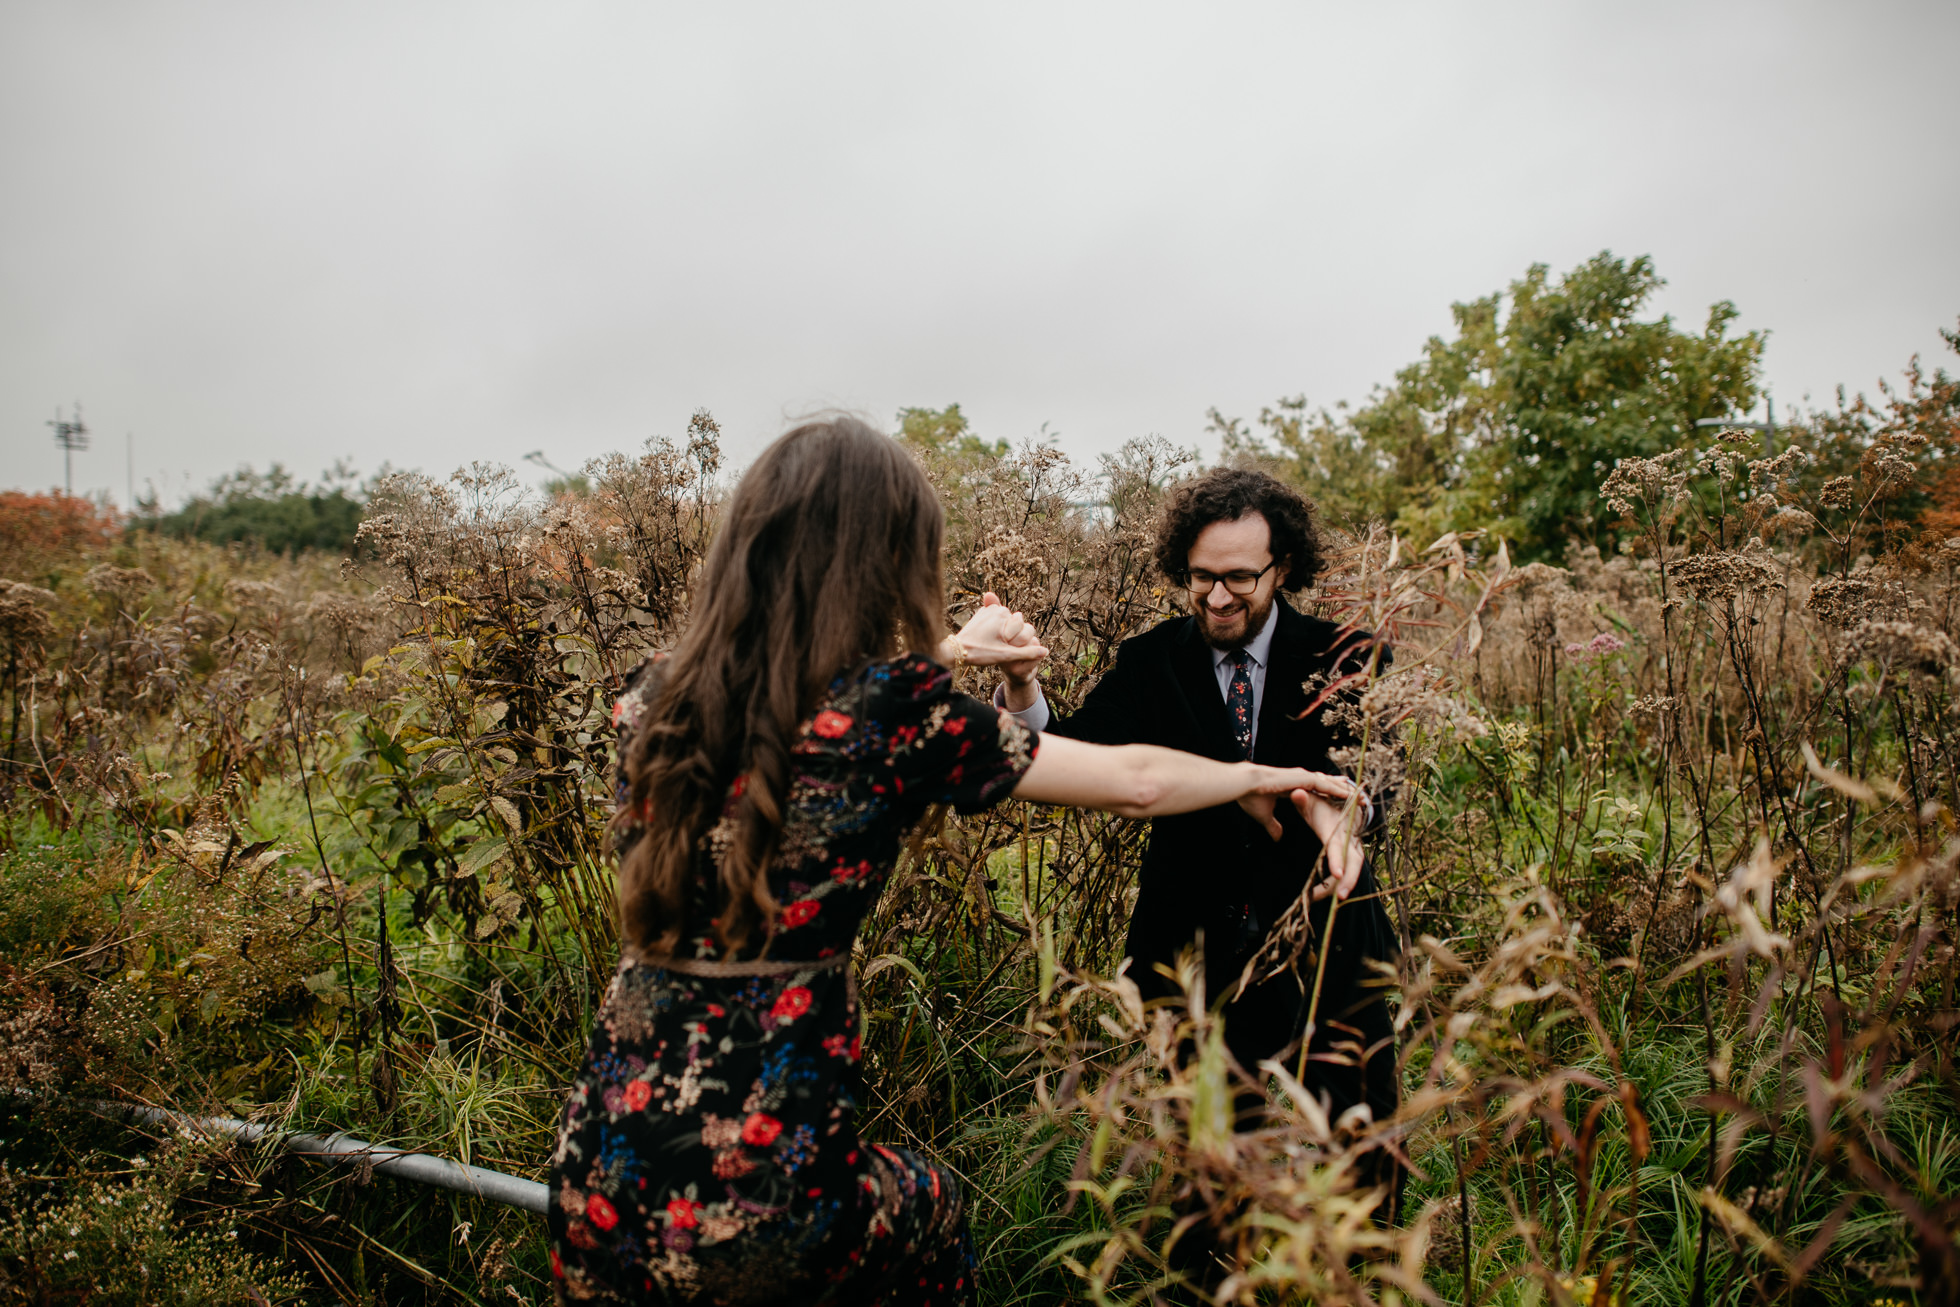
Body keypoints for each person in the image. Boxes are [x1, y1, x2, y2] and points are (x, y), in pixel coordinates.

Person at [547, 418, 1362, 1305]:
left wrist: (959, 649)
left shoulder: (654, 692)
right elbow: (1128, 778)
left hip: (599, 1162)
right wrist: (1258, 775)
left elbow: (793, 681)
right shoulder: (899, 712)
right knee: (928, 1206)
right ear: (888, 563)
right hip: (767, 1182)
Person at [988, 468, 1401, 1178]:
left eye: (1239, 577)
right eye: (1200, 576)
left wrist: (1341, 812)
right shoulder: (1150, 662)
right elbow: (1072, 754)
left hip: (1326, 929)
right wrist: (1024, 687)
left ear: (1284, 567)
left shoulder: (1349, 656)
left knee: (1364, 1151)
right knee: (1206, 1169)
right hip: (1190, 946)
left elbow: (1379, 777)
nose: (1217, 597)